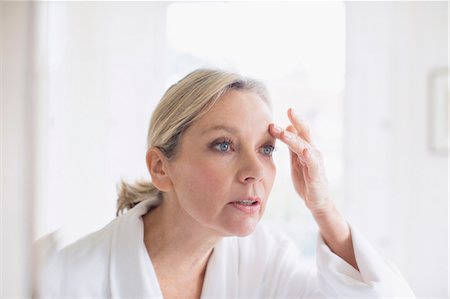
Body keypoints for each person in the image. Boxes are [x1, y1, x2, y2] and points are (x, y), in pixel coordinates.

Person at [39, 69, 415, 298]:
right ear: (160, 168)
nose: (254, 169)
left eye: (266, 149)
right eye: (224, 145)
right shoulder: (66, 279)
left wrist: (322, 207)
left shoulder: (264, 259)